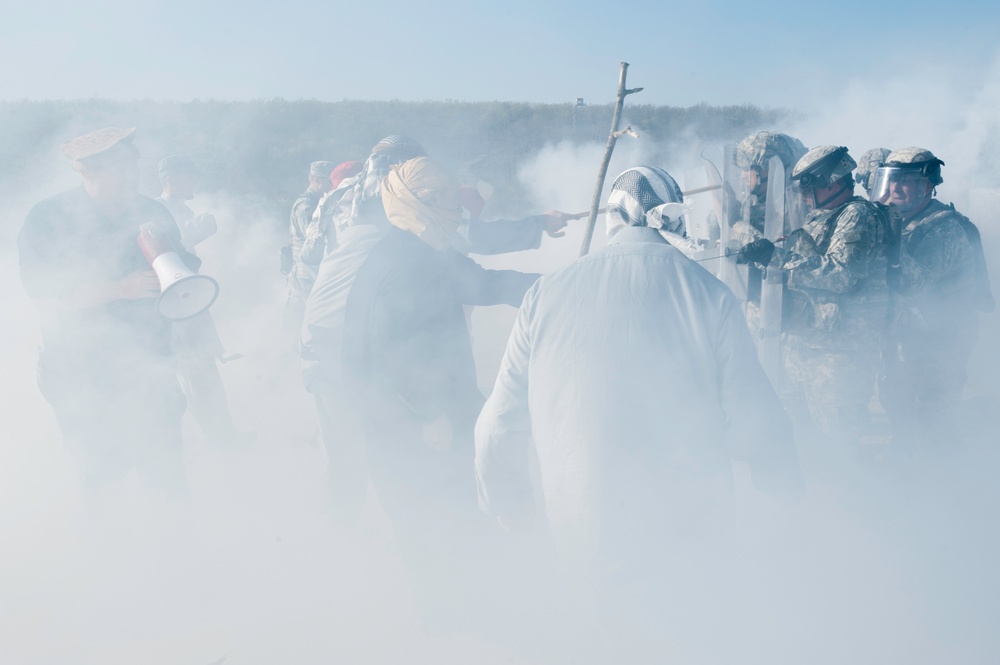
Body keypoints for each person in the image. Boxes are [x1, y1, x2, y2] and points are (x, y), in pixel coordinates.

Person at [475, 165, 801, 655]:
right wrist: (783, 484)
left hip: (582, 521)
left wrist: (508, 502)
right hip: (690, 524)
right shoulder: (709, 295)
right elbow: (753, 417)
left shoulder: (545, 295)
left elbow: (498, 422)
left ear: (613, 218)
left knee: (600, 643)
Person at [18, 127, 197, 493]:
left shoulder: (151, 210)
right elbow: (46, 296)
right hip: (82, 371)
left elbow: (184, 273)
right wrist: (120, 290)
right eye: (123, 167)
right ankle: (104, 546)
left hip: (152, 367)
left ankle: (176, 544)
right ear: (90, 172)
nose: (134, 174)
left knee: (167, 476)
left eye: (135, 164)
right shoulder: (48, 217)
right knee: (98, 478)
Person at [738, 146, 891, 456]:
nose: (804, 195)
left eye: (808, 186)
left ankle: (855, 499)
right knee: (802, 439)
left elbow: (842, 275)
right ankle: (816, 500)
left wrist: (776, 259)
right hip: (808, 344)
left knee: (838, 441)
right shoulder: (820, 218)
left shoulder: (856, 215)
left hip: (839, 351)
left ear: (830, 183)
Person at [871, 147, 994, 450]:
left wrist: (885, 234)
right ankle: (909, 472)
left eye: (904, 181)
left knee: (932, 420)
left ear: (926, 186)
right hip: (910, 340)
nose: (894, 188)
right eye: (891, 180)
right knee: (902, 412)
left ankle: (943, 481)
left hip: (939, 344)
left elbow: (914, 283)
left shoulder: (944, 229)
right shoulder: (906, 220)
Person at [155, 155, 249, 446]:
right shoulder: (159, 211)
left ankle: (224, 436)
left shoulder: (181, 209)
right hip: (178, 307)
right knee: (196, 373)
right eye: (189, 176)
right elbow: (165, 260)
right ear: (171, 179)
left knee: (204, 370)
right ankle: (220, 441)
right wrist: (189, 236)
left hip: (192, 303)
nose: (195, 182)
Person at [284, 160, 336, 331]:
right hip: (305, 277)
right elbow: (313, 238)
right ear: (317, 180)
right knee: (310, 323)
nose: (333, 185)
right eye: (331, 181)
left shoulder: (318, 202)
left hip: (309, 274)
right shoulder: (306, 206)